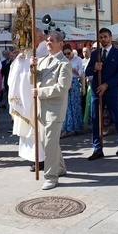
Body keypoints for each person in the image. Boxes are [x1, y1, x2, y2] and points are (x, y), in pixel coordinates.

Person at [30, 30, 71, 190]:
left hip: (54, 109)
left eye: (52, 40)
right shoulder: (43, 60)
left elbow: (62, 87)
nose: (48, 43)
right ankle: (60, 167)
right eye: (47, 40)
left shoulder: (64, 63)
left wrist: (40, 92)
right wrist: (32, 68)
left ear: (60, 44)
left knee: (49, 143)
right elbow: (32, 79)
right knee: (49, 142)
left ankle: (51, 176)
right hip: (41, 108)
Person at [85, 28, 118, 160]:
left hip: (111, 90)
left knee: (117, 117)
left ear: (110, 37)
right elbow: (87, 71)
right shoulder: (94, 54)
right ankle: (97, 148)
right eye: (101, 37)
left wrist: (107, 84)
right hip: (97, 91)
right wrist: (94, 68)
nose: (103, 39)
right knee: (95, 119)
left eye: (105, 37)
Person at [8, 29, 47, 172]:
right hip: (23, 99)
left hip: (36, 98)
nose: (27, 42)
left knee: (39, 130)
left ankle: (41, 159)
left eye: (31, 38)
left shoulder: (42, 53)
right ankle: (35, 158)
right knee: (31, 131)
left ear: (39, 38)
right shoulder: (23, 57)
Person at [60, 44, 84, 138]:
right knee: (66, 106)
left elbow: (81, 73)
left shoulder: (78, 59)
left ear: (71, 51)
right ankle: (67, 128)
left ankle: (77, 127)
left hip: (74, 82)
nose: (67, 55)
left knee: (75, 105)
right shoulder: (62, 60)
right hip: (65, 82)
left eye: (68, 53)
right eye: (65, 54)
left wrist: (75, 71)